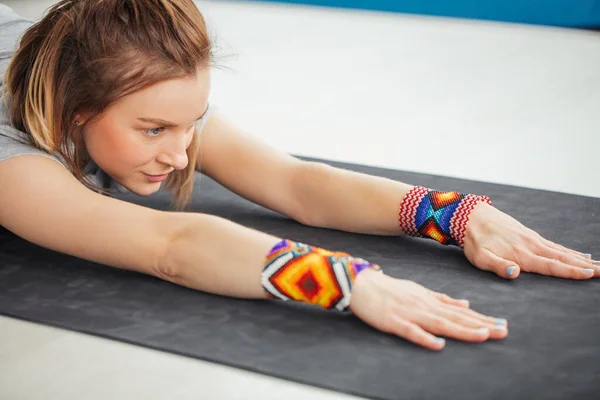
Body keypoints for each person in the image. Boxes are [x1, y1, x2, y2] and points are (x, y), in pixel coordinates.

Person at [0, 0, 597, 352]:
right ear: (77, 109)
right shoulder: (13, 163)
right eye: (154, 130)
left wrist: (455, 213)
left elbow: (293, 183)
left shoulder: (141, 96)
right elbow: (170, 246)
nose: (182, 156)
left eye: (189, 126)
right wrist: (347, 281)